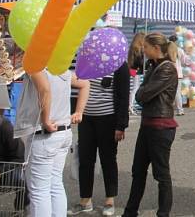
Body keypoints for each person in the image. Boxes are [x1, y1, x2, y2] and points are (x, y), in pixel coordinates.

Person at [14, 70, 89, 217]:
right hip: (62, 132)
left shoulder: (36, 65)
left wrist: (46, 120)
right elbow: (85, 83)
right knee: (55, 184)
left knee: (39, 191)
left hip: (44, 135)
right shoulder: (60, 68)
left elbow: (45, 89)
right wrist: (79, 111)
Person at [123, 33, 179, 217]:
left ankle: (163, 214)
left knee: (161, 174)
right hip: (147, 125)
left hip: (161, 127)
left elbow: (143, 95)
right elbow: (140, 94)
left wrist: (142, 93)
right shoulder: (153, 67)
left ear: (156, 48)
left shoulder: (167, 68)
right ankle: (130, 212)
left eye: (146, 47)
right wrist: (142, 93)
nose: (143, 51)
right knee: (137, 171)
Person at [69, 61, 131, 216]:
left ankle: (109, 200)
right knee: (85, 160)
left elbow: (124, 96)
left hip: (108, 119)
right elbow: (75, 88)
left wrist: (121, 125)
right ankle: (85, 200)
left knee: (108, 160)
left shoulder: (119, 65)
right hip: (86, 118)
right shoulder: (86, 63)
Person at [128, 32, 146, 115]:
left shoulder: (133, 47)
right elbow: (139, 61)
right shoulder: (138, 49)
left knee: (135, 88)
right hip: (136, 70)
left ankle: (131, 105)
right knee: (135, 88)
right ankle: (130, 106)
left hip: (132, 69)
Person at [168, 35, 186, 116]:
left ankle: (169, 108)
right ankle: (180, 109)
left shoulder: (167, 50)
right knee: (177, 92)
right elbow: (183, 62)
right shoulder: (180, 50)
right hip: (178, 74)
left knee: (169, 91)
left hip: (169, 73)